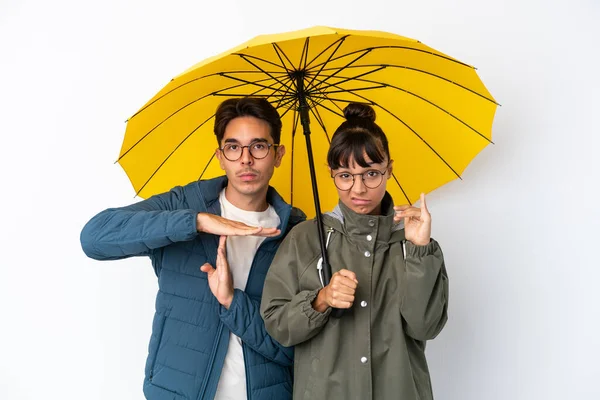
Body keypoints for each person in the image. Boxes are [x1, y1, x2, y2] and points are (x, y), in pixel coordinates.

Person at [80, 97, 305, 400]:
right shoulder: (184, 205)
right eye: (233, 147)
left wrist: (231, 303)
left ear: (278, 155)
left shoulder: (297, 233)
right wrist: (196, 222)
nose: (246, 159)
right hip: (178, 392)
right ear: (220, 156)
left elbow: (293, 349)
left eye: (259, 146)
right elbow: (94, 237)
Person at [260, 103, 449, 400]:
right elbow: (276, 323)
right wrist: (320, 301)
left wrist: (419, 249)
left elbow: (426, 326)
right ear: (331, 173)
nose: (358, 189)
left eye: (371, 173)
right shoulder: (306, 238)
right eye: (345, 175)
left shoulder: (412, 242)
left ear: (389, 170)